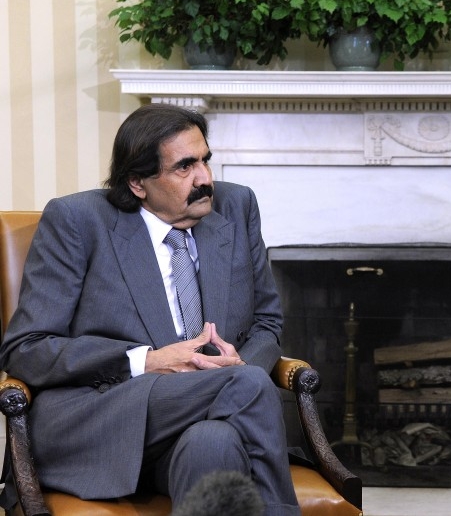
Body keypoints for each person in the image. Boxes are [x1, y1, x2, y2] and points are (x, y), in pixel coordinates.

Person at [0, 103, 300, 515]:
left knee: (213, 444)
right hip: (105, 411)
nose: (205, 179)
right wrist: (147, 361)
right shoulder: (76, 220)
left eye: (206, 161)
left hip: (200, 418)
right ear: (138, 183)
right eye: (184, 167)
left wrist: (238, 360)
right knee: (244, 384)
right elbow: (27, 348)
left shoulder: (237, 207)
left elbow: (267, 322)